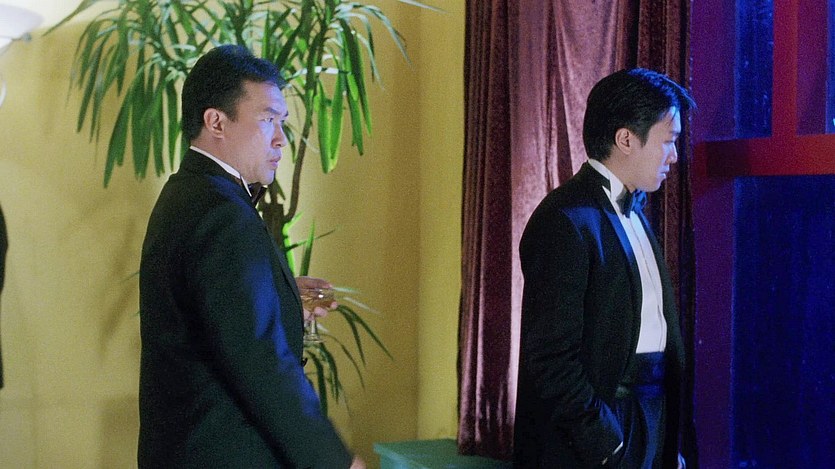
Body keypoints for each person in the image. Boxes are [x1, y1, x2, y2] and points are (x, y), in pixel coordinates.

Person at [138, 45, 364, 468]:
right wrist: (336, 462)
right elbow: (263, 367)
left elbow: (213, 317)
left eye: (282, 122)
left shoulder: (186, 192)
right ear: (216, 122)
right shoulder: (223, 213)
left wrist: (279, 296)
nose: (281, 139)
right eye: (267, 119)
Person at [513, 68, 695, 468]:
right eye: (668, 141)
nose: (674, 156)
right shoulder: (564, 219)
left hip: (649, 420)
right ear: (626, 139)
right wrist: (609, 443)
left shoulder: (635, 209)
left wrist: (662, 443)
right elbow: (551, 359)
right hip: (600, 433)